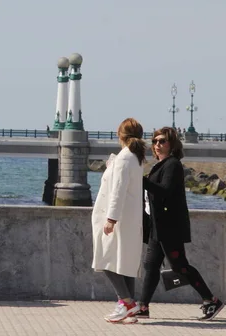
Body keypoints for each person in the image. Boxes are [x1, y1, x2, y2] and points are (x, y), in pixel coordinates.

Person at [134, 127, 224, 320]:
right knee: (150, 265)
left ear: (172, 144)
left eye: (162, 141)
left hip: (169, 228)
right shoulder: (160, 165)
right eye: (155, 141)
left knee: (180, 266)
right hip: (157, 227)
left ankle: (211, 300)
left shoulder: (172, 165)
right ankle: (143, 306)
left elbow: (164, 191)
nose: (158, 144)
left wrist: (141, 181)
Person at [91, 118, 146, 324]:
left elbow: (118, 191)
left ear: (120, 135)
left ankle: (127, 302)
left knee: (106, 259)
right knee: (126, 263)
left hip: (119, 219)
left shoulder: (125, 157)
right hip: (130, 219)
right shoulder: (135, 157)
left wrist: (111, 219)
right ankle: (126, 307)